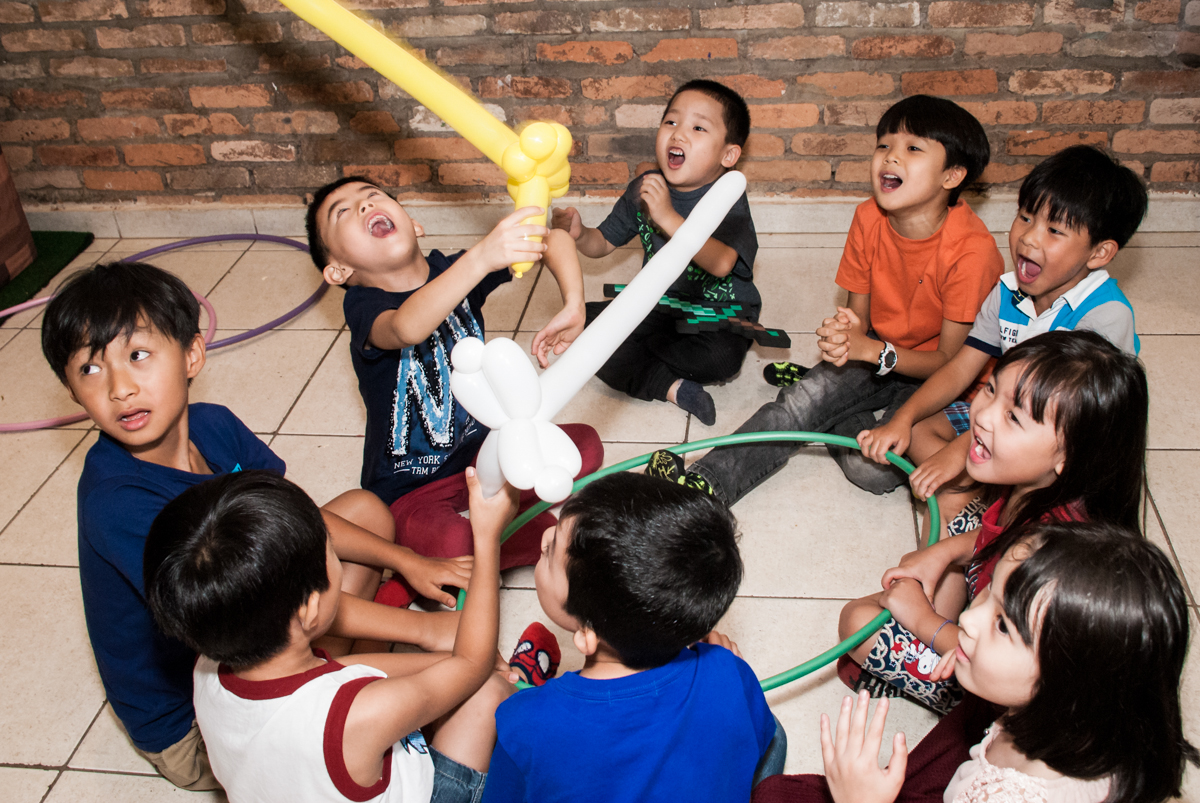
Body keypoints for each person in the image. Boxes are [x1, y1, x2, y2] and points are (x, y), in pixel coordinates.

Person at [40, 262, 468, 790]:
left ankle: (359, 637)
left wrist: (410, 561)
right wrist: (428, 632)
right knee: (443, 681)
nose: (120, 388)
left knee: (365, 511)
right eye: (90, 369)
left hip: (254, 627)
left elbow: (297, 519)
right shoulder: (119, 503)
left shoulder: (214, 424)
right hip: (206, 717)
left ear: (192, 354)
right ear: (70, 388)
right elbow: (264, 610)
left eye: (137, 355)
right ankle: (347, 665)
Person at [646, 95, 1002, 499]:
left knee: (870, 473)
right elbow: (859, 319)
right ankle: (704, 485)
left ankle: (827, 404)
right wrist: (847, 335)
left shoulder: (972, 253)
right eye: (884, 145)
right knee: (795, 409)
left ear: (952, 176)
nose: (890, 158)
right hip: (875, 354)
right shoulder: (868, 217)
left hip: (938, 380)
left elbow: (951, 365)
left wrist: (872, 353)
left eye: (913, 149)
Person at [307, 177, 603, 608]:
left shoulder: (454, 269)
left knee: (585, 447)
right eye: (344, 212)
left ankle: (492, 539)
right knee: (449, 542)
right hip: (411, 487)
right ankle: (496, 542)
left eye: (375, 197)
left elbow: (553, 238)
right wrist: (483, 257)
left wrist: (574, 303)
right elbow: (407, 326)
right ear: (338, 272)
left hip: (486, 458)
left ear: (415, 224)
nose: (366, 207)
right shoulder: (364, 306)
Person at [144, 468, 517, 803]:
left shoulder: (213, 659)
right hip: (362, 748)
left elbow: (327, 677)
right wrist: (486, 540)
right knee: (487, 689)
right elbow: (473, 662)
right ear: (309, 608)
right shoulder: (357, 716)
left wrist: (434, 658)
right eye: (331, 549)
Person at [758, 522, 1198, 803]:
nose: (967, 618)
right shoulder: (1089, 718)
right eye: (987, 595)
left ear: (1071, 681)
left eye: (1004, 625)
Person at [837, 330, 1148, 714]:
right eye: (990, 390)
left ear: (1068, 454)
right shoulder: (1035, 487)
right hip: (986, 606)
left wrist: (924, 623)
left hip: (998, 685)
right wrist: (943, 551)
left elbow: (1006, 663)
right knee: (941, 542)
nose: (981, 416)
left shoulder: (1054, 563)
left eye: (1013, 416)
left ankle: (962, 711)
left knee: (857, 623)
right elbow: (994, 532)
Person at [857, 145, 1148, 540]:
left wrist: (959, 454)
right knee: (922, 431)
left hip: (1059, 442)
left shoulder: (1105, 317)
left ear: (1100, 252)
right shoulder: (1008, 292)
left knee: (972, 485)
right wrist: (903, 420)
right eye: (1025, 217)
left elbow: (1063, 428)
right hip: (1006, 416)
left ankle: (992, 499)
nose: (1028, 238)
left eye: (1055, 231)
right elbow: (962, 366)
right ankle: (985, 490)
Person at [481, 473, 785, 802]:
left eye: (550, 553)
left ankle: (525, 674)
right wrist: (724, 673)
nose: (543, 539)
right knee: (773, 734)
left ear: (586, 634)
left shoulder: (523, 722)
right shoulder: (730, 672)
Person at [552, 79, 758, 426]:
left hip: (717, 314)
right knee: (583, 331)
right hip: (658, 306)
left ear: (728, 155)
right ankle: (670, 387)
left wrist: (667, 216)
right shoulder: (645, 188)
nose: (678, 135)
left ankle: (646, 355)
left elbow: (722, 264)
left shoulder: (727, 196)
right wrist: (579, 232)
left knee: (723, 360)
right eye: (671, 122)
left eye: (698, 127)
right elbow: (602, 242)